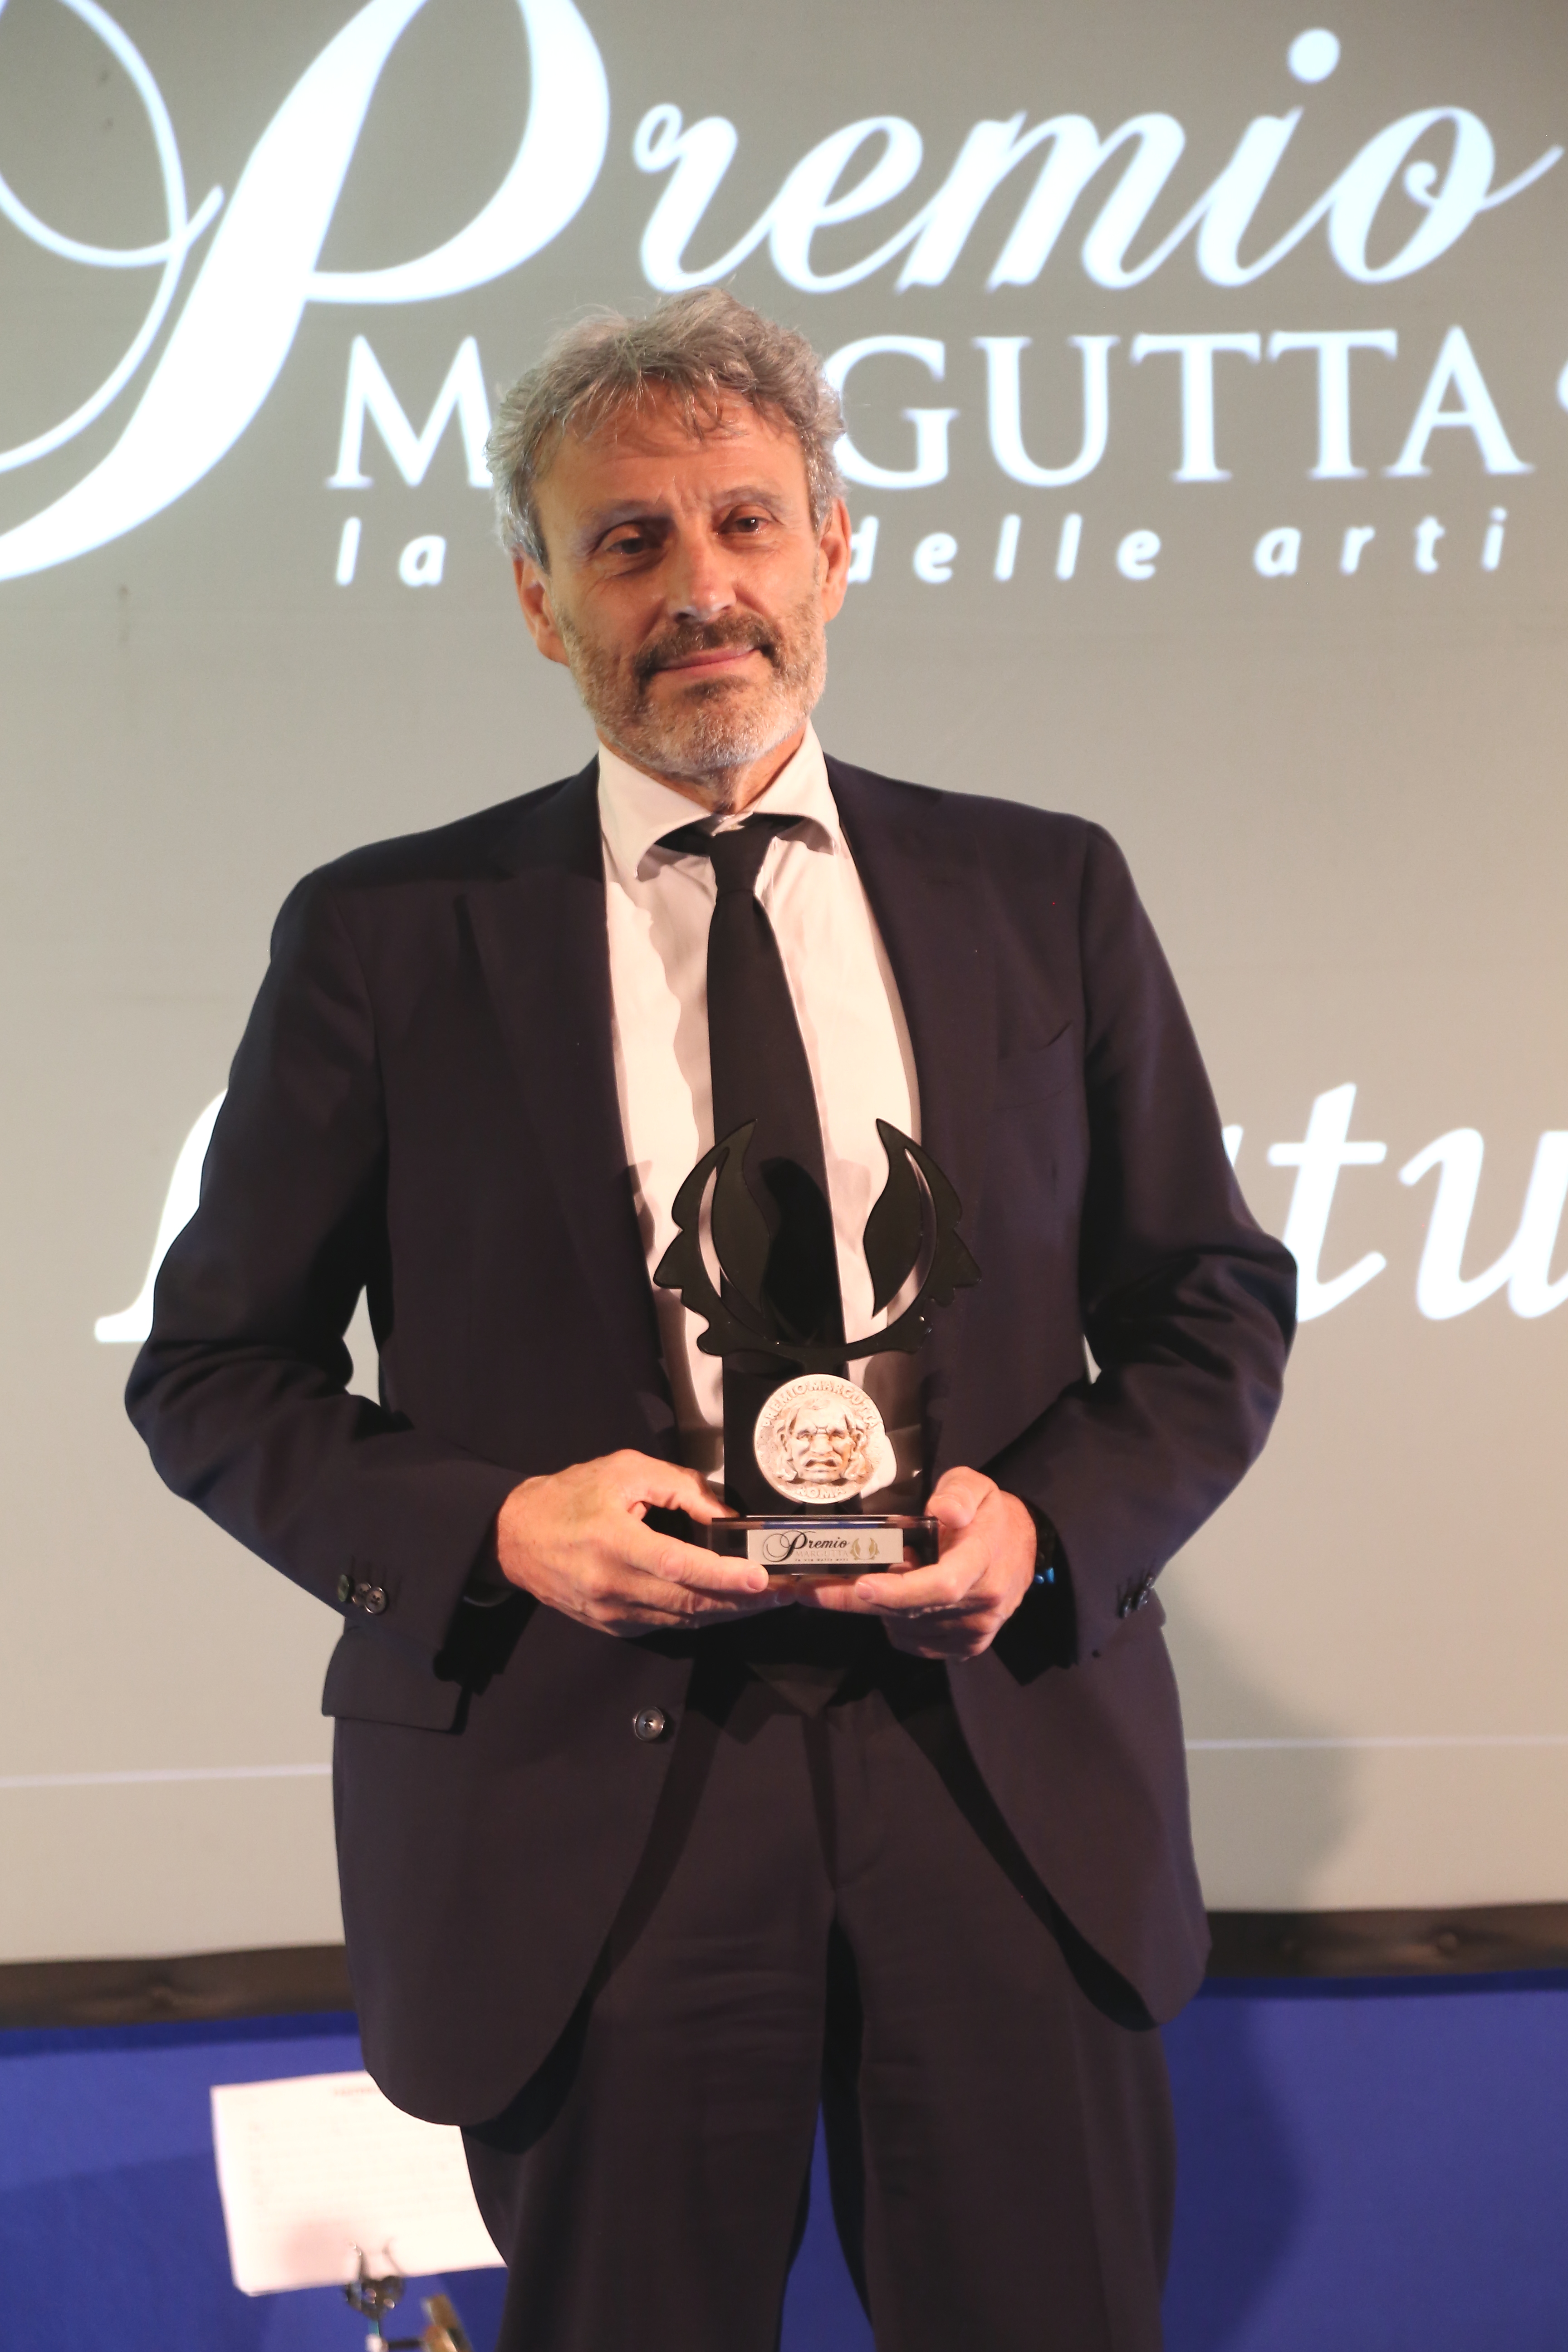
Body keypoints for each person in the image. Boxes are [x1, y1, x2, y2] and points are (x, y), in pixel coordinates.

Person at [128, 289, 1295, 2352]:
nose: (700, 588)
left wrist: (1050, 1528)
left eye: (747, 523)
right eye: (628, 541)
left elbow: (1210, 1302)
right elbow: (216, 1373)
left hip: (995, 1779)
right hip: (587, 1805)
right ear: (538, 599)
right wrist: (499, 1527)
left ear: (834, 549)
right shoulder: (388, 939)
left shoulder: (1048, 893)